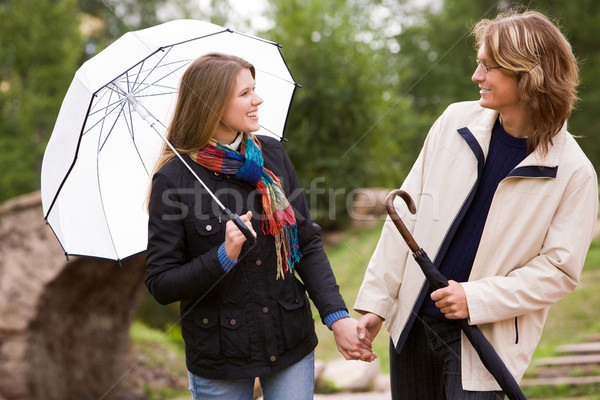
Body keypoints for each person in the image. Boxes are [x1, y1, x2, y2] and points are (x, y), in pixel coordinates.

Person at [354, 10, 598, 399]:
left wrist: (476, 298)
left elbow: (559, 271)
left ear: (528, 74)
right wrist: (376, 305)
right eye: (478, 64)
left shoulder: (573, 172)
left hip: (483, 342)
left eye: (489, 67)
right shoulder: (454, 121)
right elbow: (404, 218)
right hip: (414, 328)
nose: (476, 77)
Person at [144, 52, 375, 400]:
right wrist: (223, 255)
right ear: (212, 104)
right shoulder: (174, 179)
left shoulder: (272, 155)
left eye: (255, 89)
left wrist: (336, 316)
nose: (258, 99)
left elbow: (307, 244)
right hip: (220, 357)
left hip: (290, 340)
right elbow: (161, 283)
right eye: (245, 93)